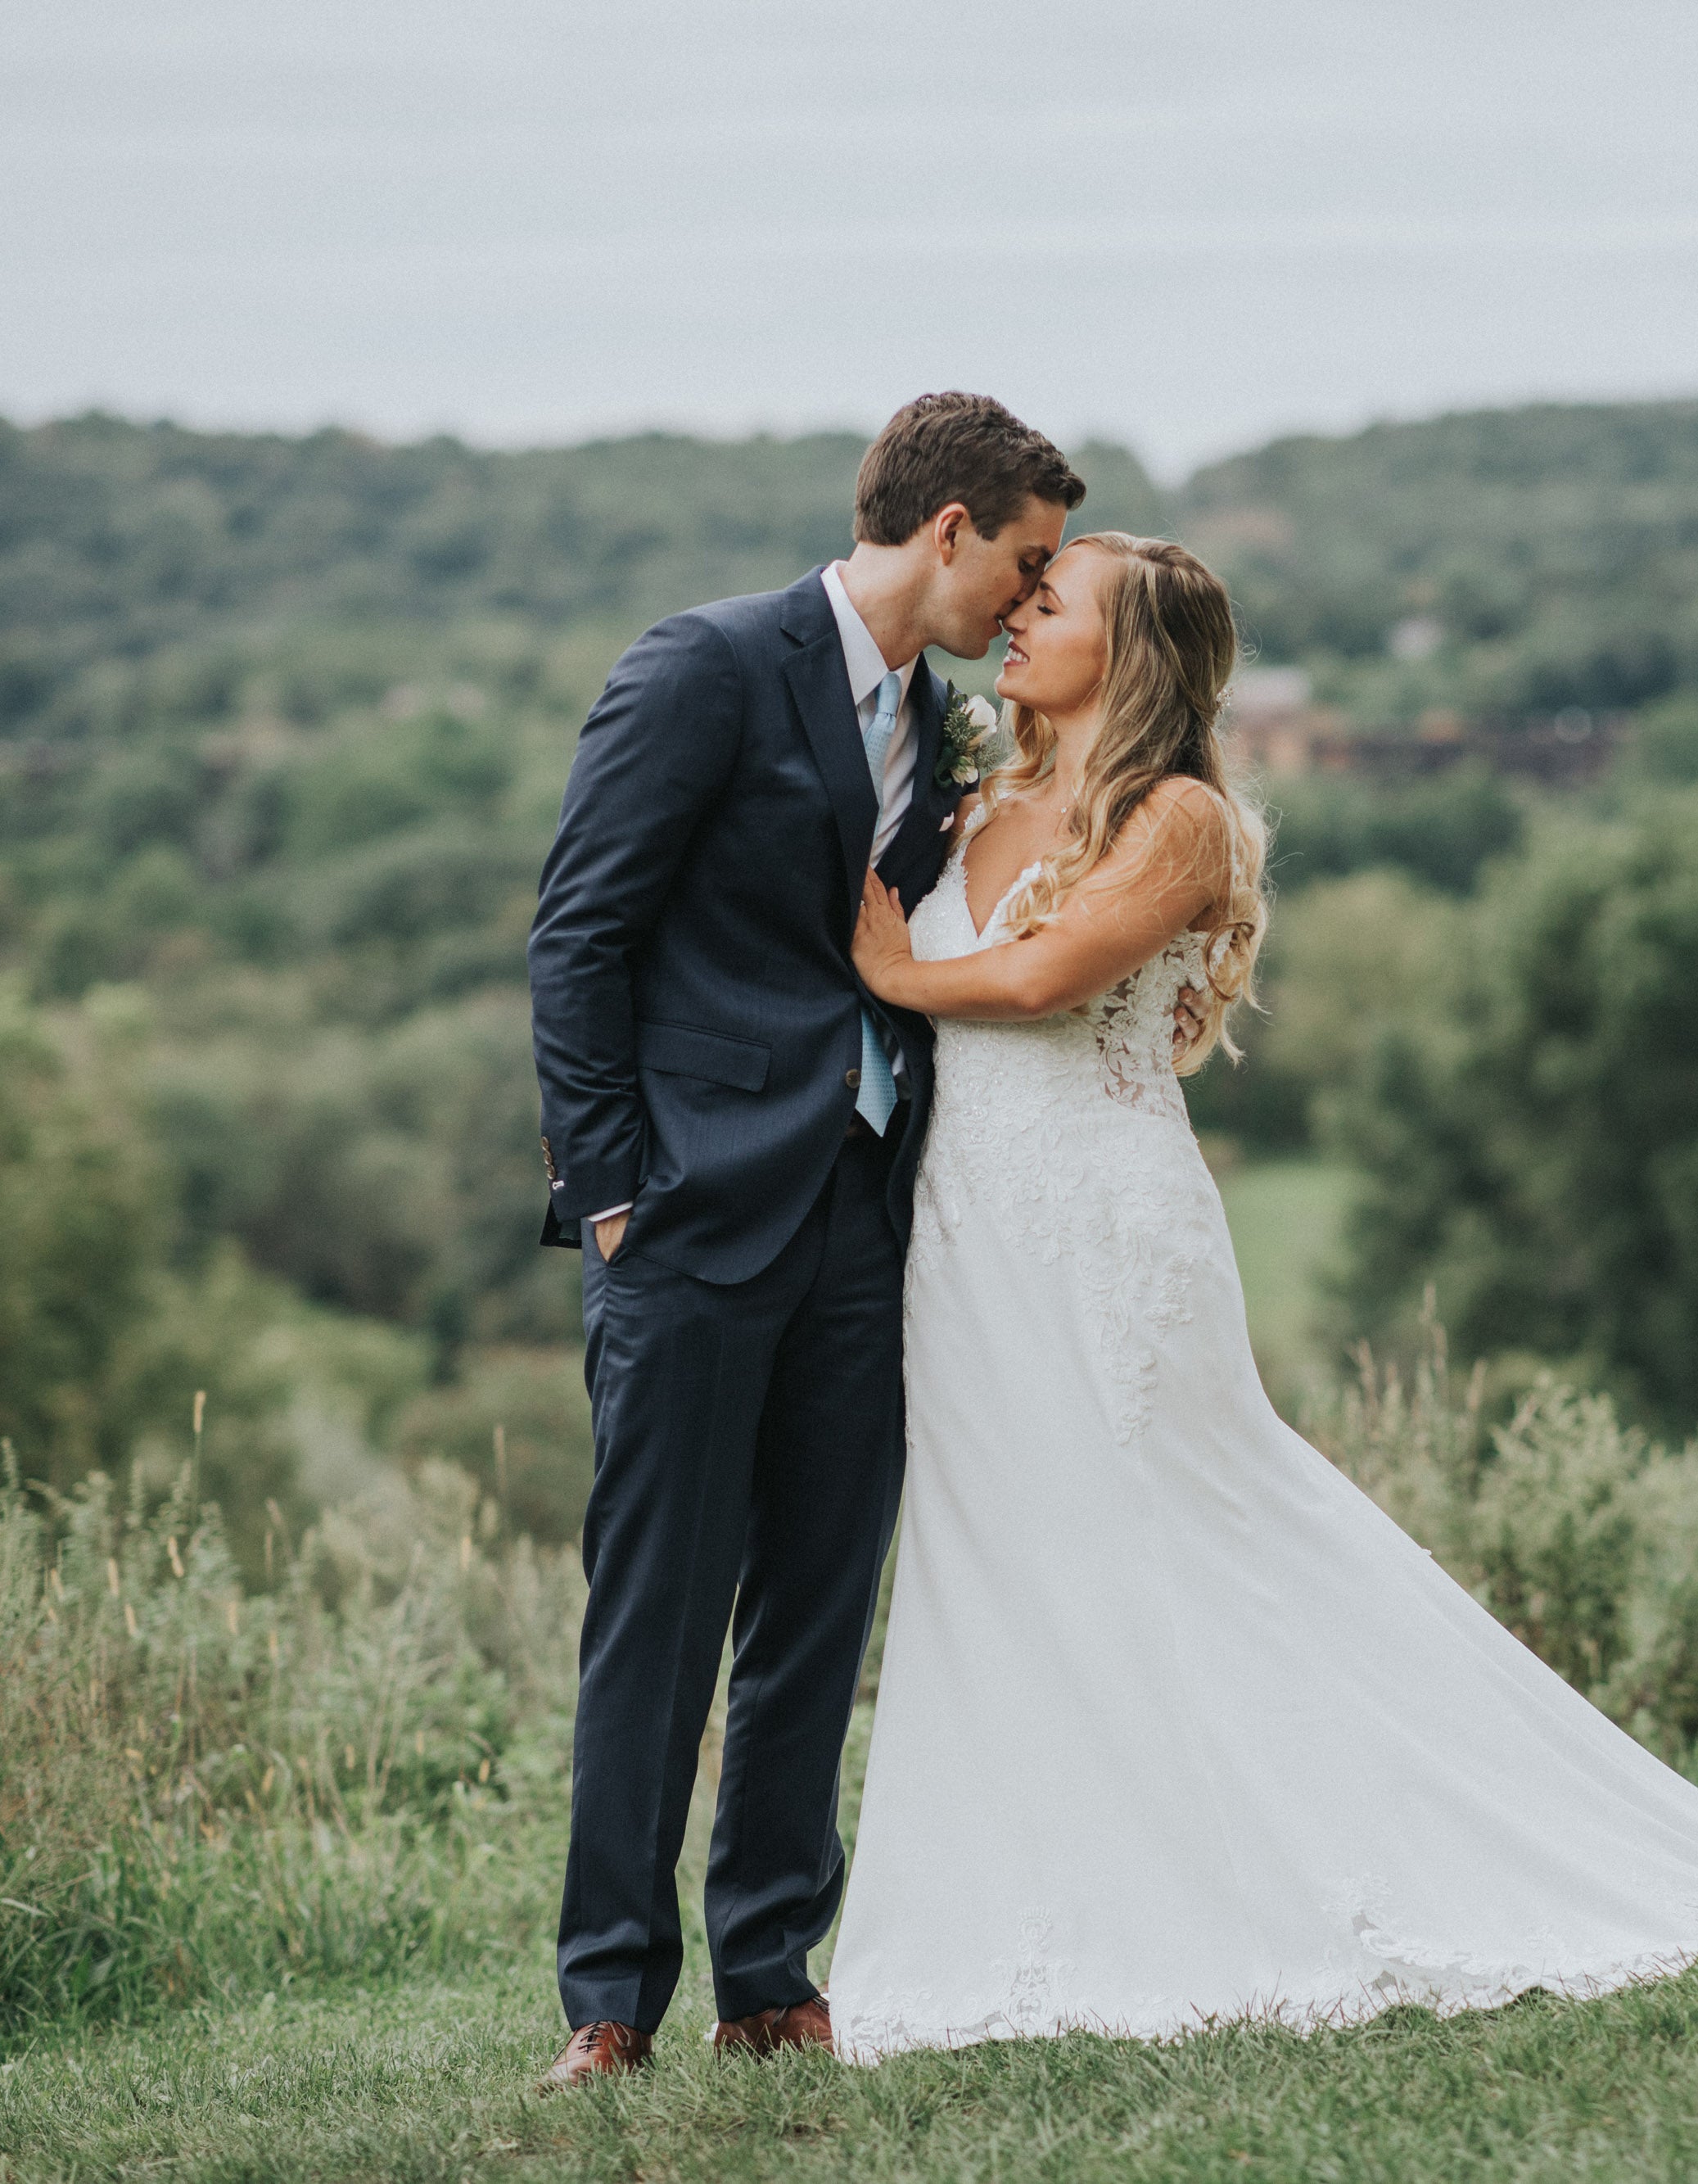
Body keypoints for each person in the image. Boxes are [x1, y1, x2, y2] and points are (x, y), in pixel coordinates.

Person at [827, 531, 1698, 2062]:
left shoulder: (1178, 817)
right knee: (1013, 1548)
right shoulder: (976, 799)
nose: (1020, 612)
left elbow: (1043, 980)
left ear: (1133, 653)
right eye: (1026, 592)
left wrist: (891, 972)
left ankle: (1325, 1855)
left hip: (1105, 1238)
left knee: (1187, 1533)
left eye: (1054, 602)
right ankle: (1056, 1889)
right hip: (968, 1244)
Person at [522, 391, 1082, 2091]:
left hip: (864, 1213)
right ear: (947, 529)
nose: (1034, 597)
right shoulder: (704, 667)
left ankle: (770, 1972)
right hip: (689, 1216)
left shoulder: (941, 714)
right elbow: (579, 933)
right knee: (660, 1616)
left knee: (818, 1612)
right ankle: (610, 1999)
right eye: (1028, 561)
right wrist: (613, 1191)